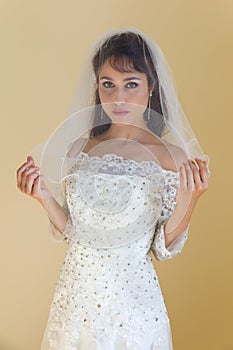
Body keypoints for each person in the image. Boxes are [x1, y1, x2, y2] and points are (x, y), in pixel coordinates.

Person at [16, 28, 209, 350]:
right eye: (109, 84)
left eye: (131, 84)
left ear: (151, 87)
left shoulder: (170, 157)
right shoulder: (80, 147)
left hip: (132, 304)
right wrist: (43, 197)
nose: (118, 97)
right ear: (97, 87)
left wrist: (191, 198)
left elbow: (161, 248)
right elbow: (77, 233)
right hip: (74, 301)